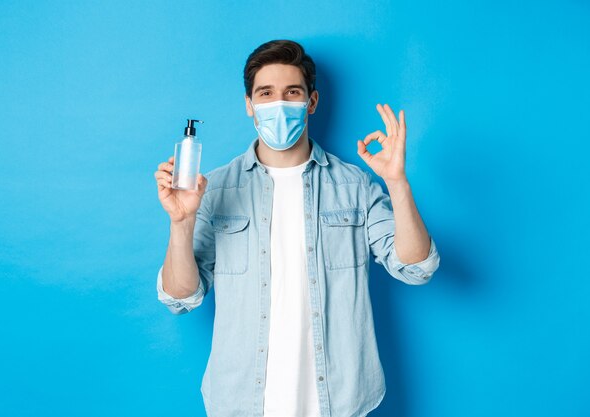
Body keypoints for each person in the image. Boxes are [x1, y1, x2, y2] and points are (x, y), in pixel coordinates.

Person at [153, 39, 440, 417]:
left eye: (292, 93)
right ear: (249, 105)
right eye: (266, 94)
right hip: (241, 403)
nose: (278, 104)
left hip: (337, 402)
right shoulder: (215, 189)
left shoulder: (354, 186)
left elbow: (417, 267)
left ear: (312, 102)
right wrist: (181, 222)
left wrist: (397, 183)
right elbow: (180, 297)